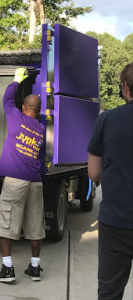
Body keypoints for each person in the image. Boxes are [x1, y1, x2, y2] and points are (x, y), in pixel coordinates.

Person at [0, 68, 45, 282]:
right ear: (38, 110)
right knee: (35, 226)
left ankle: (7, 269)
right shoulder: (41, 128)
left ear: (24, 108)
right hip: (35, 181)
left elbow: (6, 99)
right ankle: (34, 268)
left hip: (15, 181)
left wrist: (16, 80)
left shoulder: (16, 118)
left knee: (6, 224)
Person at [87, 62, 133, 300]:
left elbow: (93, 173)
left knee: (109, 292)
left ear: (125, 88)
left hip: (116, 223)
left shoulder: (106, 120)